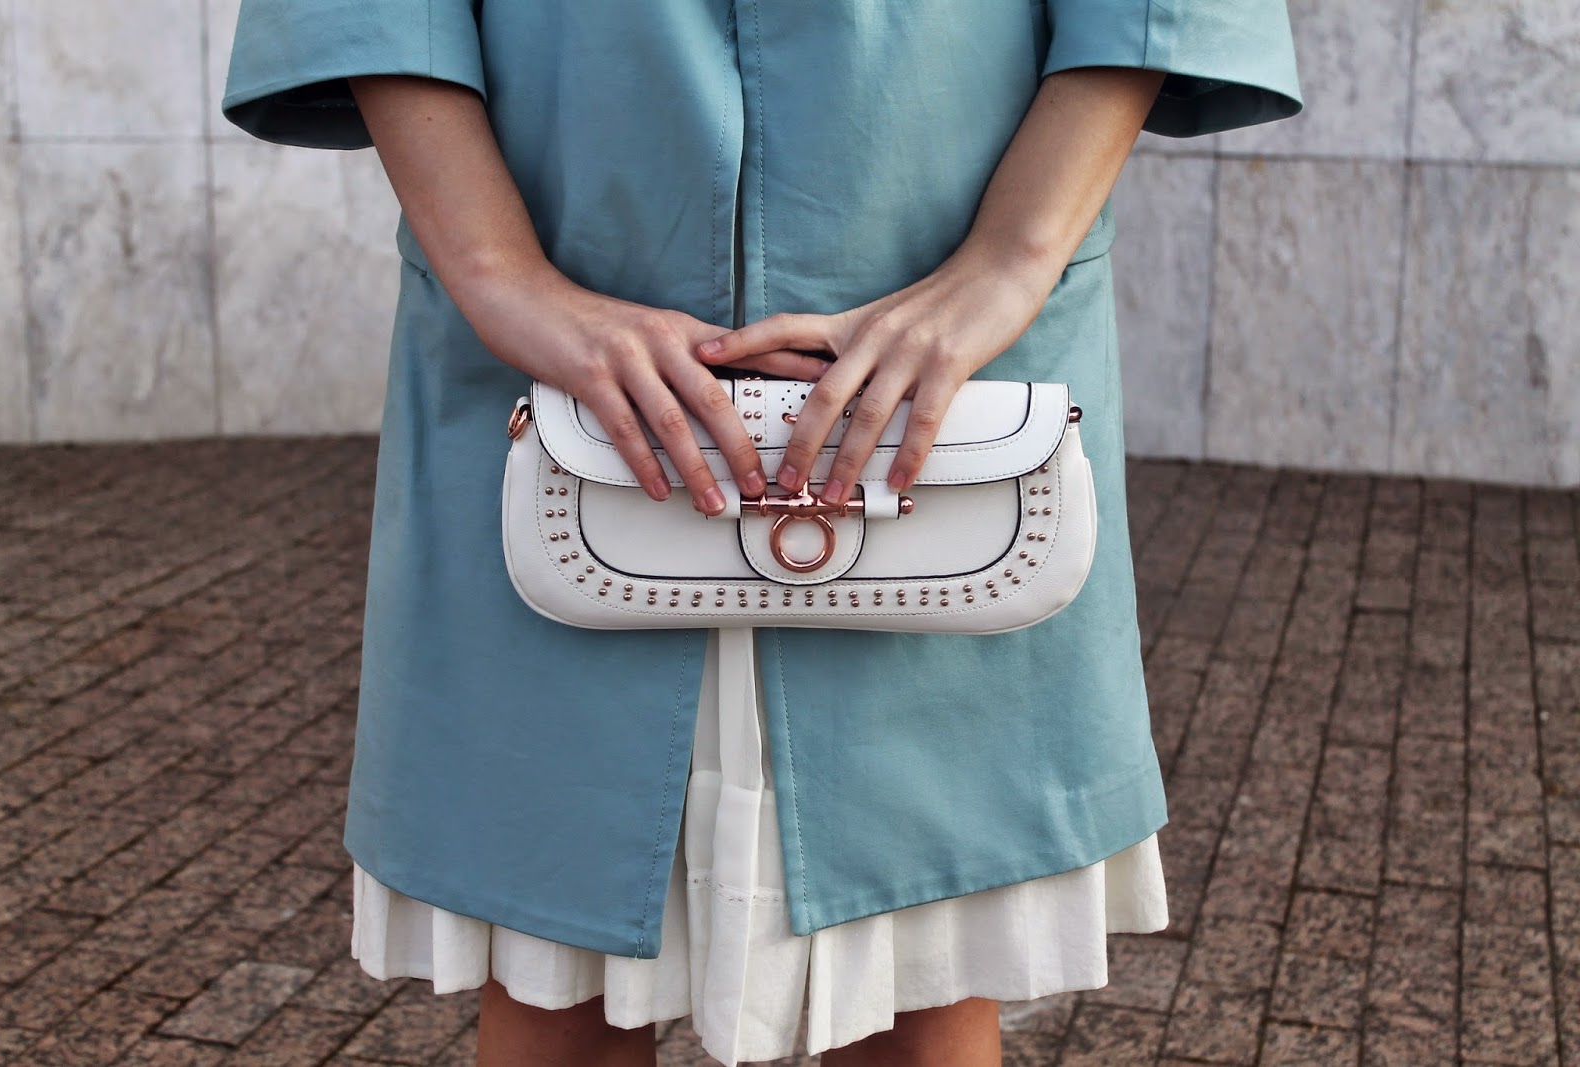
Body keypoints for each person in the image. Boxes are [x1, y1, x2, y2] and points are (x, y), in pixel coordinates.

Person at [223, 3, 1300, 1064]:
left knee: (916, 969)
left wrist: (1011, 258)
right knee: (556, 970)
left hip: (943, 306)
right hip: (559, 299)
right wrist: (501, 274)